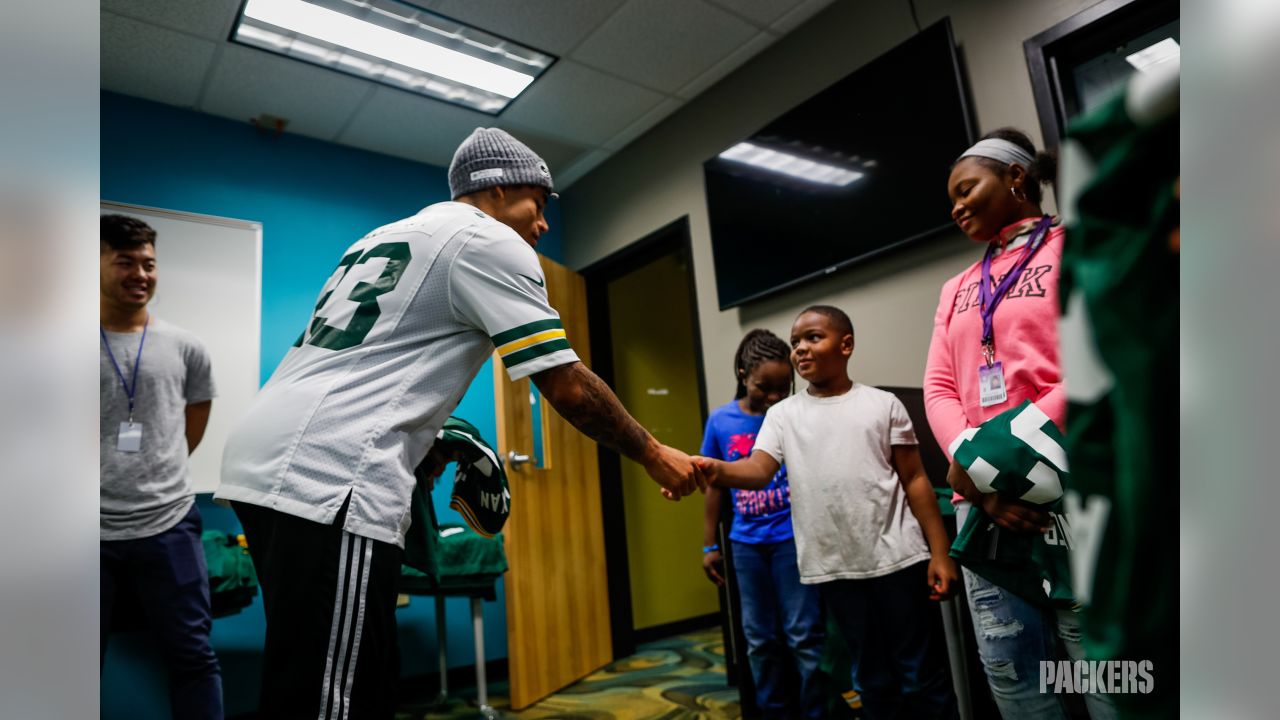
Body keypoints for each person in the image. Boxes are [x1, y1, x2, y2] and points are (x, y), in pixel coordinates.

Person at [216, 127, 704, 719]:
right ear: (495, 190)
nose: (543, 224)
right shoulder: (487, 240)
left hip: (269, 459)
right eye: (538, 203)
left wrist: (427, 436)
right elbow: (568, 385)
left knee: (323, 669)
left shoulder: (384, 236)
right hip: (328, 475)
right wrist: (654, 452)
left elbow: (365, 368)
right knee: (333, 699)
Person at [925, 127, 1116, 719]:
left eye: (966, 188)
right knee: (1015, 679)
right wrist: (979, 478)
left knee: (1107, 676)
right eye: (950, 197)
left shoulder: (1081, 245)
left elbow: (1103, 354)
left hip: (1071, 487)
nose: (955, 205)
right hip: (984, 505)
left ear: (1015, 177)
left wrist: (1000, 462)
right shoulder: (956, 288)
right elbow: (940, 387)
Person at [695, 305, 959, 720]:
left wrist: (940, 554)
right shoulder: (783, 415)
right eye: (796, 341)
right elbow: (759, 470)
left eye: (813, 338)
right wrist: (715, 468)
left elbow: (916, 481)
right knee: (871, 678)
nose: (800, 348)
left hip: (898, 561)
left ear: (846, 345)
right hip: (837, 570)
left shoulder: (882, 404)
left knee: (920, 674)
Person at [99, 214, 223, 720]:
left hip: (168, 524)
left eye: (148, 263)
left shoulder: (185, 345)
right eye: (124, 261)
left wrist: (157, 468)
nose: (140, 274)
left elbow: (194, 418)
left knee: (193, 657)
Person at [700, 329, 825, 718]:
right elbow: (714, 488)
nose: (773, 397)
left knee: (804, 636)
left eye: (782, 388)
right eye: (763, 387)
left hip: (792, 540)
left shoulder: (794, 415)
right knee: (759, 639)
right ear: (742, 374)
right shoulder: (721, 421)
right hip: (747, 545)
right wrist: (710, 545)